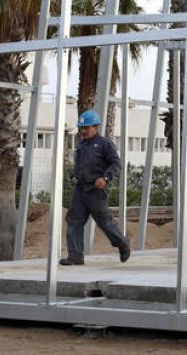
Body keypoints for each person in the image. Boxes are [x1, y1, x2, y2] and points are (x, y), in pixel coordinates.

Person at [61, 109, 131, 265]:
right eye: (81, 128)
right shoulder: (81, 145)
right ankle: (75, 255)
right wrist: (74, 176)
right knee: (74, 220)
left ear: (96, 127)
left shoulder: (105, 144)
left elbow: (116, 164)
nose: (83, 131)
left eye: (86, 127)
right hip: (81, 189)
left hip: (96, 190)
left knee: (104, 222)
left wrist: (105, 178)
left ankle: (122, 243)